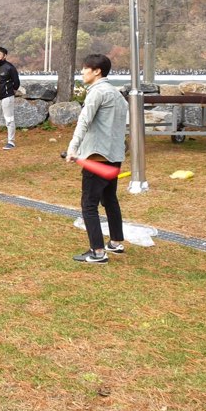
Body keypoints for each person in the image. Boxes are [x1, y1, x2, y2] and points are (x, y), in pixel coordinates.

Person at [67, 54, 128, 264]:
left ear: (97, 71)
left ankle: (98, 252)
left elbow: (83, 122)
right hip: (114, 155)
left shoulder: (97, 93)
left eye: (85, 68)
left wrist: (72, 148)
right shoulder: (117, 94)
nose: (82, 72)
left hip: (97, 157)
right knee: (109, 199)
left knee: (89, 204)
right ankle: (116, 242)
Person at [0, 46, 21, 150]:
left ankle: (11, 142)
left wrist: (10, 92)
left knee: (9, 120)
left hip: (6, 97)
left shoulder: (10, 67)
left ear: (4, 56)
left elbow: (16, 83)